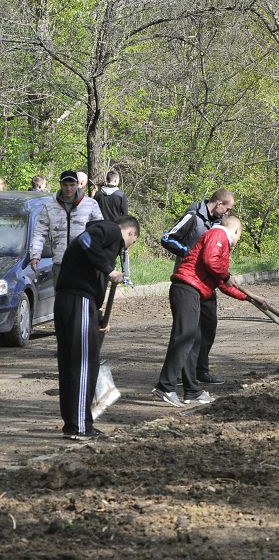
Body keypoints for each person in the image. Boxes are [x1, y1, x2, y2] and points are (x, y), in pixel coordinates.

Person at [152, 216, 264, 408]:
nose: (237, 241)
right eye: (239, 236)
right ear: (236, 231)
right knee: (184, 338)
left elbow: (222, 283)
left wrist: (250, 298)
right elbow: (211, 261)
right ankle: (165, 386)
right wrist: (227, 275)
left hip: (193, 291)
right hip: (186, 288)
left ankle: (192, 391)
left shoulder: (220, 243)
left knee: (193, 341)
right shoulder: (218, 234)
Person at [54, 215, 139, 440]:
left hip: (78, 302)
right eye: (132, 241)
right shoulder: (111, 230)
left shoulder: (102, 242)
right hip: (78, 299)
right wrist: (109, 270)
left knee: (74, 363)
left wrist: (98, 317)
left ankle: (75, 424)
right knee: (83, 364)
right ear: (130, 233)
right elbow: (85, 240)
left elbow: (89, 269)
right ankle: (80, 426)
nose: (125, 248)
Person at [161, 189, 235, 385]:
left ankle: (201, 370)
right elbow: (167, 238)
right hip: (187, 282)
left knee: (208, 327)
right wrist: (190, 252)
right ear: (219, 203)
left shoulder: (218, 224)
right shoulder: (193, 217)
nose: (227, 213)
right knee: (185, 331)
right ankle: (177, 375)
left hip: (207, 284)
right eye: (227, 208)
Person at [29, 170, 104, 282]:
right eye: (65, 185)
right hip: (60, 262)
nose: (68, 188)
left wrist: (98, 256)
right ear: (60, 185)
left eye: (72, 185)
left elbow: (100, 231)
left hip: (83, 261)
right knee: (60, 298)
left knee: (81, 297)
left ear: (77, 184)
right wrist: (35, 255)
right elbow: (39, 232)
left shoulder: (90, 204)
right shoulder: (50, 206)